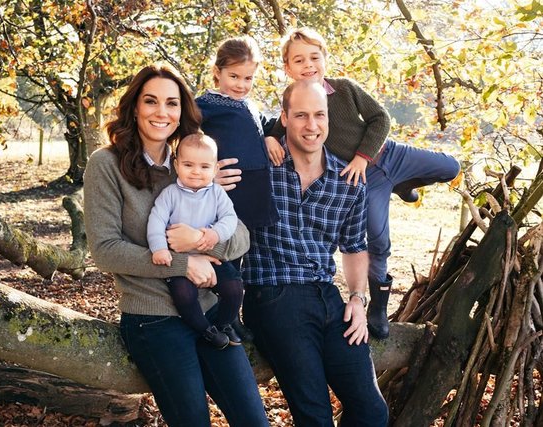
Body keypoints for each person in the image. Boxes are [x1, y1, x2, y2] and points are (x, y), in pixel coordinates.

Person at [83, 64, 269, 427]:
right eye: (151, 101)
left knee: (254, 420)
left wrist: (203, 242)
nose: (161, 112)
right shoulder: (105, 164)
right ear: (134, 106)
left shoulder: (193, 164)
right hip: (153, 317)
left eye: (172, 103)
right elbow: (105, 249)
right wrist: (184, 264)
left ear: (182, 111)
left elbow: (242, 235)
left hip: (211, 311)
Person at [265, 27, 461, 339]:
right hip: (364, 181)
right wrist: (268, 138)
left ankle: (404, 183)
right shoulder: (296, 106)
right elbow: (278, 129)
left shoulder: (344, 89)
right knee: (377, 240)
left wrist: (361, 156)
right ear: (288, 68)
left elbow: (380, 118)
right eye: (299, 60)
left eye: (314, 57)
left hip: (388, 155)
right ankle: (378, 308)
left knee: (451, 166)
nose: (308, 65)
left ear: (325, 59)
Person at [242, 79, 389, 426]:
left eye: (319, 115)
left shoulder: (348, 179)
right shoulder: (260, 166)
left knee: (372, 412)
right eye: (301, 115)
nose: (312, 125)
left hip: (328, 297)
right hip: (274, 296)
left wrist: (356, 298)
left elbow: (354, 247)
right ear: (284, 117)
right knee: (315, 416)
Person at [196, 35, 278, 341]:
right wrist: (205, 170)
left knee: (241, 257)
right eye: (234, 76)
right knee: (226, 256)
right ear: (217, 72)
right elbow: (184, 137)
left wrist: (270, 135)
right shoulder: (205, 105)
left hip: (254, 192)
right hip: (229, 192)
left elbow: (265, 124)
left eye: (248, 78)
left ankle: (234, 315)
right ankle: (223, 316)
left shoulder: (249, 104)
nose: (241, 84)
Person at [147, 133, 243, 348]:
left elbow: (230, 219)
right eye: (188, 164)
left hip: (209, 256)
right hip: (179, 259)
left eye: (204, 167)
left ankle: (224, 324)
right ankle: (205, 330)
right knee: (184, 295)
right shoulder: (170, 194)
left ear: (215, 169)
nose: (196, 172)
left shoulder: (217, 193)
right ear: (176, 164)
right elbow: (156, 221)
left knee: (234, 287)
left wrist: (215, 234)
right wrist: (159, 249)